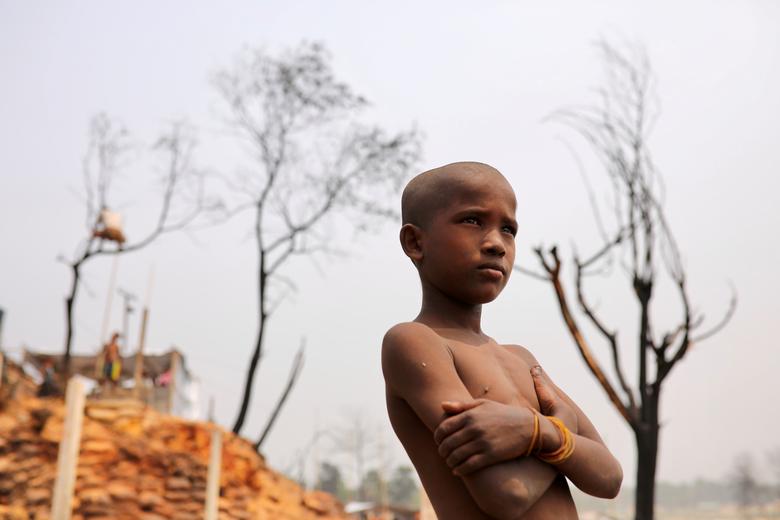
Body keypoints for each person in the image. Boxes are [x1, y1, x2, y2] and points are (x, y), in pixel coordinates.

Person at [382, 162, 623, 519]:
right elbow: (507, 494)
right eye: (472, 220)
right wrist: (558, 432)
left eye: (508, 229)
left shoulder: (521, 359)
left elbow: (609, 477)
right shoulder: (414, 342)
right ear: (416, 242)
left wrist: (538, 432)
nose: (496, 243)